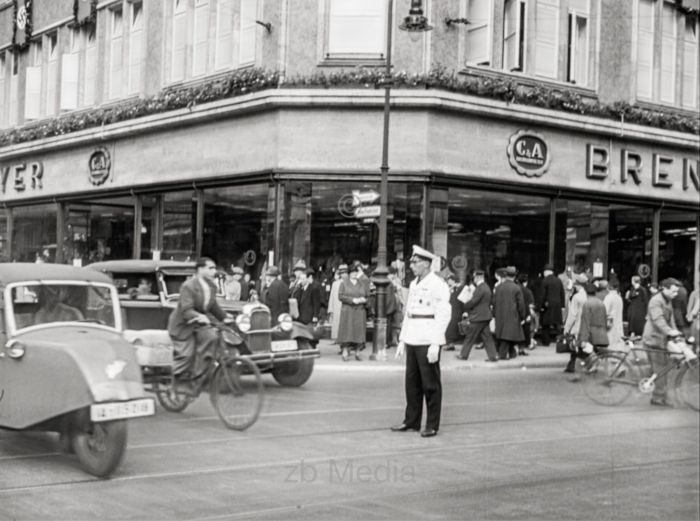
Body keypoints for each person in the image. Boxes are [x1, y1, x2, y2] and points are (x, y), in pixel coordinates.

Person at [391, 245, 451, 438]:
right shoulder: (415, 283)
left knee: (430, 384)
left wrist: (436, 343)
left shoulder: (437, 284)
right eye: (411, 262)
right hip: (414, 337)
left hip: (428, 338)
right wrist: (402, 340)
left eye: (415, 262)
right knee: (412, 383)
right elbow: (409, 313)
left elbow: (443, 314)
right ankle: (412, 420)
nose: (411, 266)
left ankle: (432, 424)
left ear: (426, 264)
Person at [168, 257, 233, 379]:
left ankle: (200, 372)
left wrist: (224, 317)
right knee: (186, 355)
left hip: (199, 325)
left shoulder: (212, 286)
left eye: (215, 268)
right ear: (200, 269)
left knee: (212, 337)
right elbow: (186, 310)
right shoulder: (188, 286)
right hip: (184, 325)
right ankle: (176, 380)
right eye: (210, 268)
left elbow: (212, 305)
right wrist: (200, 316)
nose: (214, 271)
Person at [642, 278, 683, 407]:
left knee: (660, 369)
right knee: (660, 370)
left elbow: (670, 320)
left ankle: (658, 393)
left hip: (661, 339)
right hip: (653, 339)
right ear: (664, 288)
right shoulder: (656, 301)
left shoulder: (667, 300)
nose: (675, 294)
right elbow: (658, 319)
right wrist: (670, 332)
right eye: (673, 291)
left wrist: (674, 332)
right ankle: (658, 398)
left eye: (677, 292)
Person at [456, 269, 498, 362]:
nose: (473, 279)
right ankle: (493, 356)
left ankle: (463, 355)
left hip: (478, 317)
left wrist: (465, 304)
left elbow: (474, 301)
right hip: (485, 316)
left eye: (474, 277)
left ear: (478, 277)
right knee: (487, 338)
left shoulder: (480, 288)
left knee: (470, 337)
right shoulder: (486, 287)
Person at [573, 282, 610, 379]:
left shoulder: (587, 304)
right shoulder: (601, 303)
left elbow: (585, 322)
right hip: (601, 333)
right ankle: (598, 368)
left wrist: (583, 339)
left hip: (591, 334)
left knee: (580, 354)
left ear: (586, 292)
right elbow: (605, 319)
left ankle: (577, 375)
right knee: (599, 353)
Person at [492, 266, 526, 361]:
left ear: (505, 275)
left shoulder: (498, 287)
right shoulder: (516, 288)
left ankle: (512, 353)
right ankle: (503, 355)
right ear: (515, 277)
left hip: (500, 316)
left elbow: (493, 302)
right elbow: (521, 304)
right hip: (512, 316)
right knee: (508, 335)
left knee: (505, 334)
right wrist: (522, 316)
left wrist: (494, 314)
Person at [337, 263, 369, 361]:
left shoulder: (362, 283)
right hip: (348, 311)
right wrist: (352, 300)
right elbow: (340, 296)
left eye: (356, 272)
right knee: (347, 332)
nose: (354, 274)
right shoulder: (344, 283)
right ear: (349, 274)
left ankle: (358, 352)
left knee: (358, 333)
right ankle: (345, 352)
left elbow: (367, 295)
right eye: (352, 272)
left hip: (359, 311)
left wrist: (364, 300)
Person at [563, 273, 589, 373]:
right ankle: (572, 365)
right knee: (580, 346)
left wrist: (567, 327)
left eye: (576, 285)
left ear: (579, 286)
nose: (575, 287)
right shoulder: (587, 296)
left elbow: (572, 315)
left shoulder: (577, 297)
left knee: (575, 346)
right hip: (586, 326)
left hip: (577, 326)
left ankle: (572, 365)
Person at [538, 263, 565, 346]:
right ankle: (561, 340)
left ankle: (546, 342)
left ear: (546, 272)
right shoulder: (558, 280)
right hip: (557, 305)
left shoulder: (544, 281)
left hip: (547, 305)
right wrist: (562, 305)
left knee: (545, 325)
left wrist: (540, 306)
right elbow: (562, 293)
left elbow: (542, 295)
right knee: (558, 324)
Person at [443, 273, 464, 351]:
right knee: (448, 327)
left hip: (456, 310)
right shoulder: (448, 288)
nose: (448, 282)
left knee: (452, 327)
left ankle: (450, 343)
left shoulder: (459, 288)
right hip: (448, 310)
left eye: (449, 280)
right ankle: (450, 343)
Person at [326, 264, 347, 342]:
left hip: (346, 307)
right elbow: (332, 297)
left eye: (345, 272)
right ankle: (337, 339)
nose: (343, 274)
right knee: (337, 323)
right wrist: (330, 309)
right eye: (342, 273)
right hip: (337, 307)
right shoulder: (335, 284)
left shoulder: (349, 283)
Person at [604, 278, 625, 351]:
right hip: (618, 326)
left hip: (610, 326)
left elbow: (605, 312)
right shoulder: (619, 298)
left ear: (608, 287)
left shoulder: (608, 297)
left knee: (610, 349)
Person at [517, 273, 536, 355]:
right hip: (526, 314)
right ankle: (522, 348)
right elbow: (531, 304)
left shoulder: (516, 289)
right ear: (525, 282)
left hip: (516, 314)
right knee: (525, 332)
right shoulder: (528, 291)